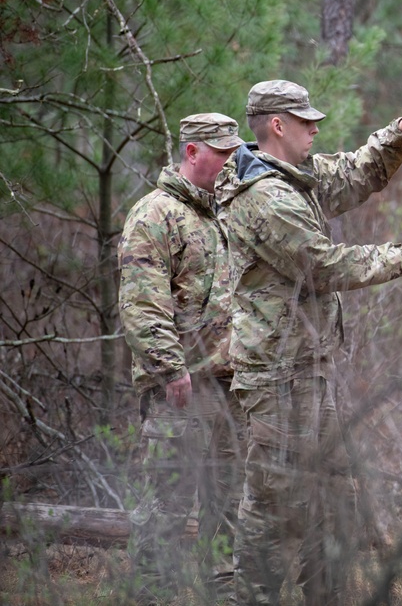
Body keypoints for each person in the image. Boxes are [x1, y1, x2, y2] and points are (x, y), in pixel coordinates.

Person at [215, 79, 402, 605]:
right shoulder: (264, 198)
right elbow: (320, 265)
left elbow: (355, 174)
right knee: (272, 508)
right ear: (277, 125)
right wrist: (401, 254)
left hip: (307, 370)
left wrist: (400, 133)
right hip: (275, 379)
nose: (315, 127)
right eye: (305, 120)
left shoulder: (293, 177)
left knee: (333, 495)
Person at [118, 113, 248, 604]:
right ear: (193, 152)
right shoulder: (154, 213)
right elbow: (141, 302)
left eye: (234, 150)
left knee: (230, 503)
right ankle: (154, 595)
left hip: (230, 387)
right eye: (221, 151)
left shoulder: (226, 213)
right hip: (181, 391)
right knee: (168, 505)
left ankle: (224, 594)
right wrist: (170, 370)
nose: (230, 160)